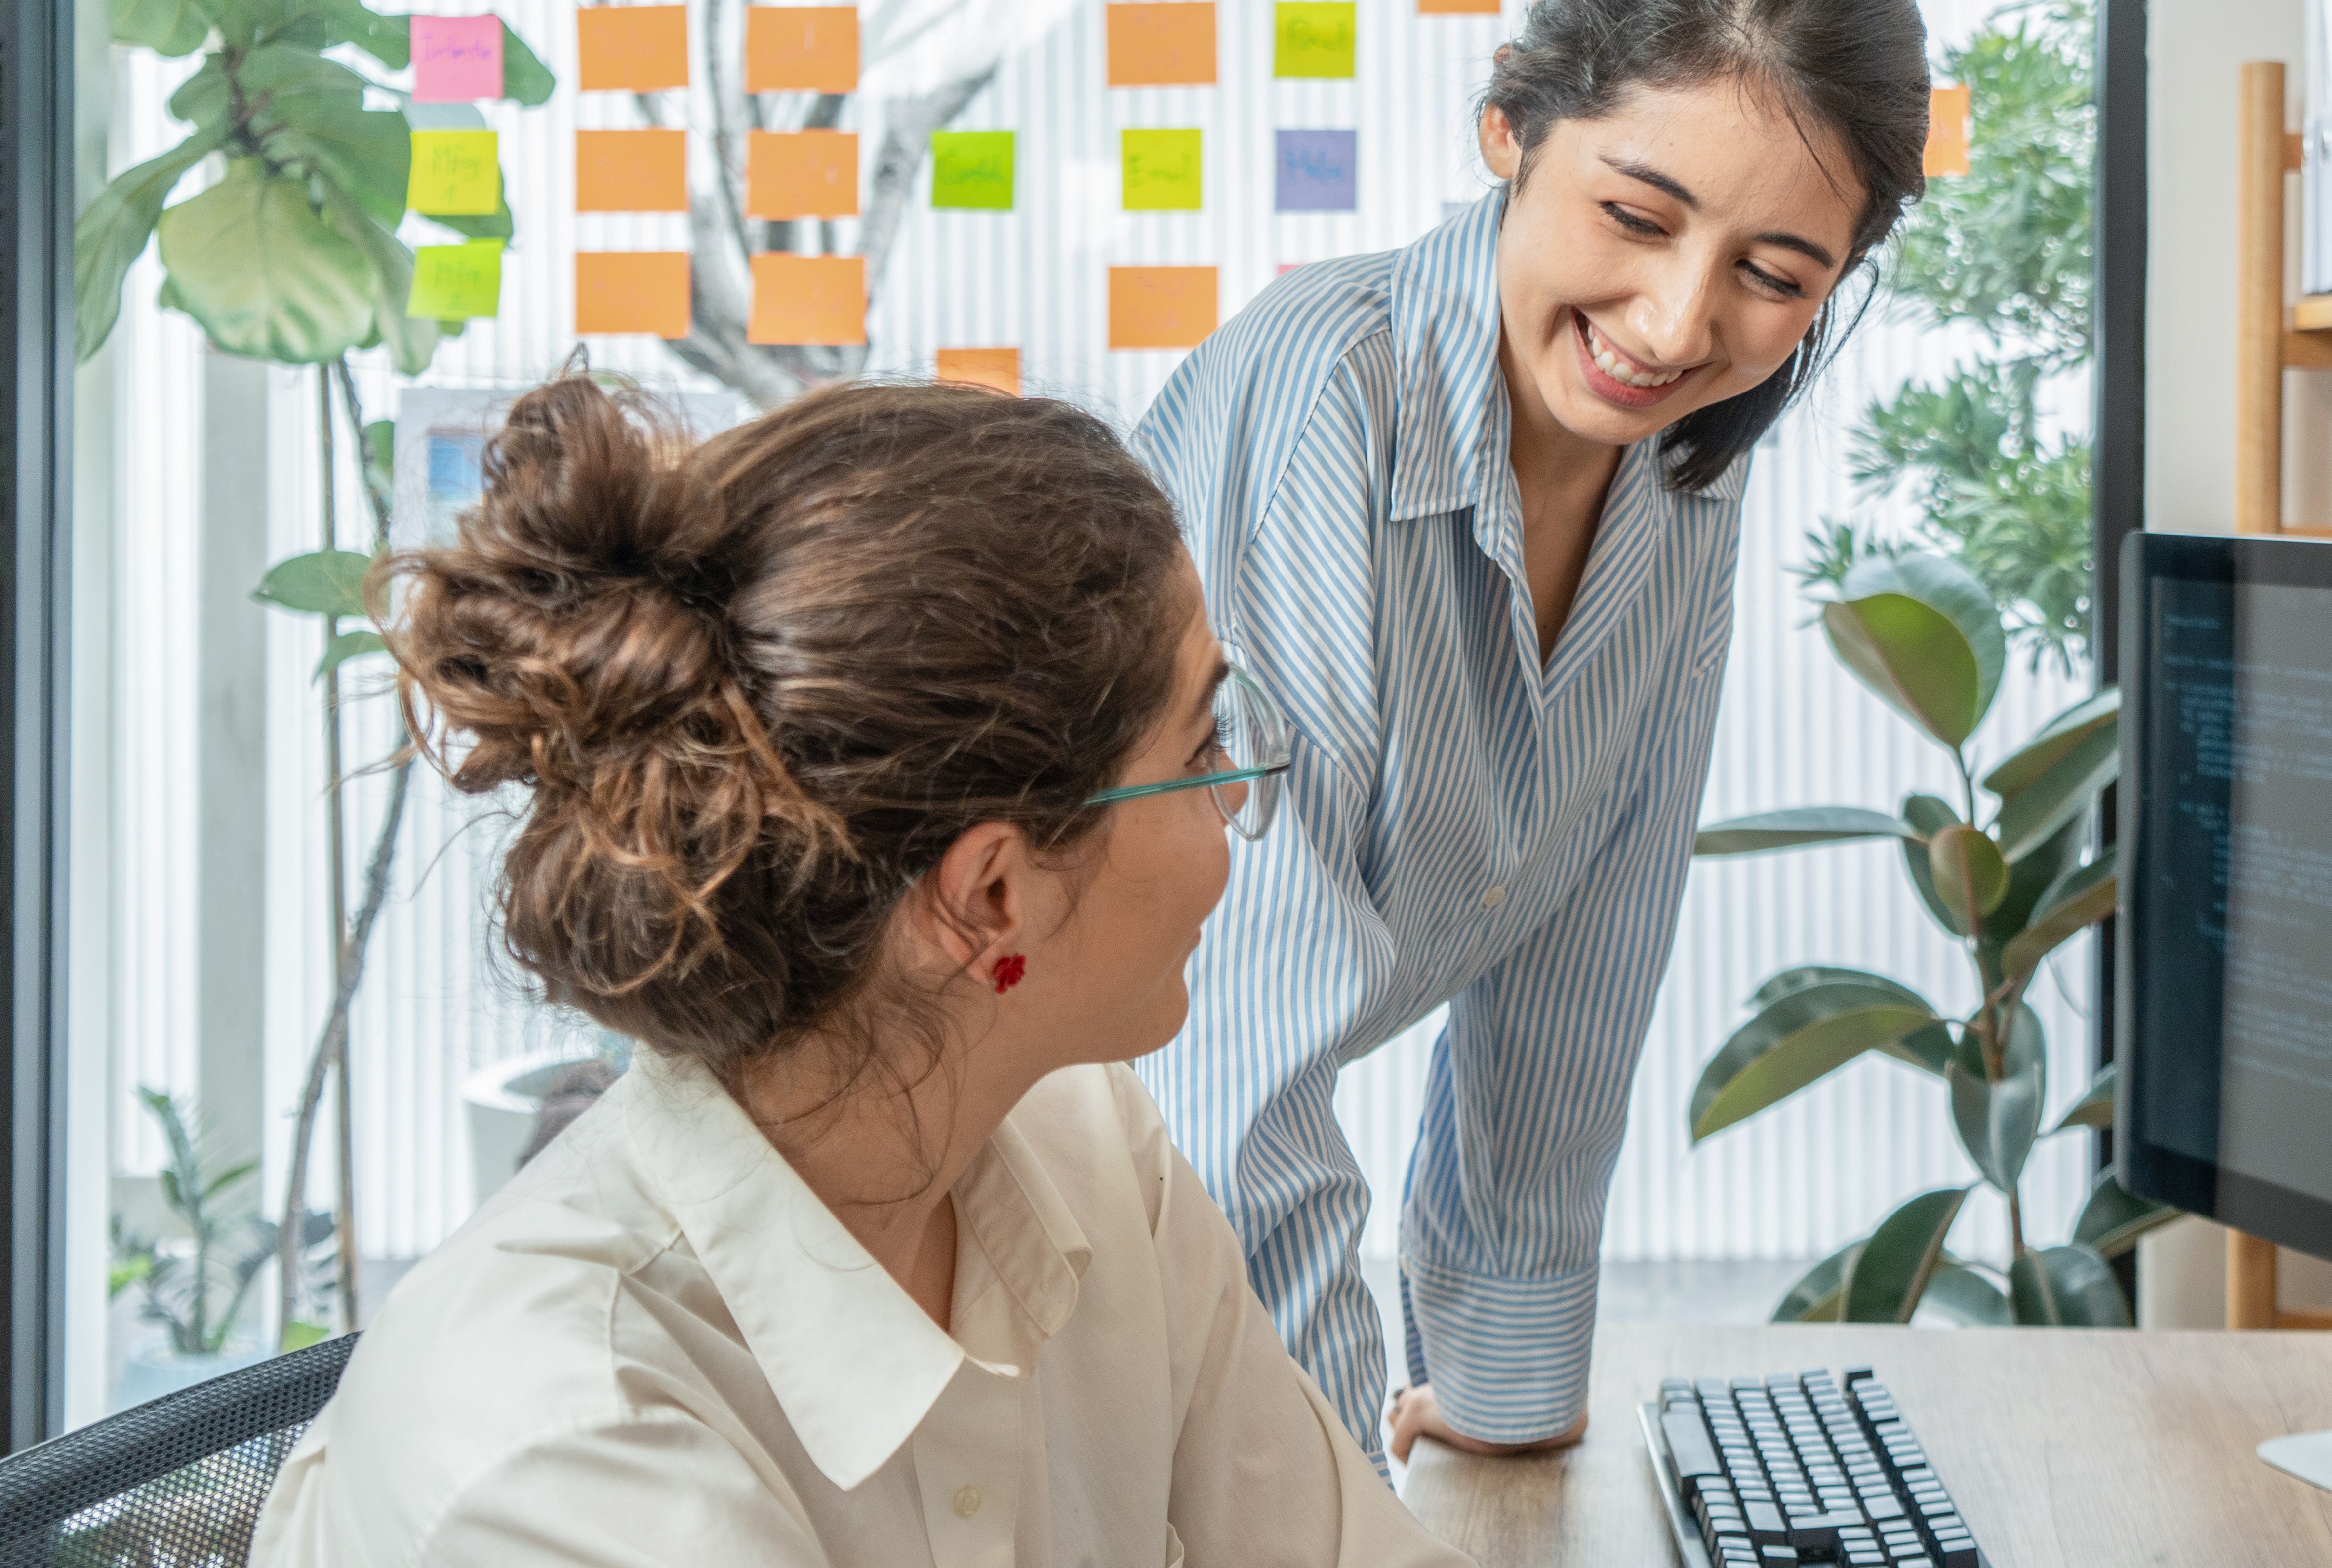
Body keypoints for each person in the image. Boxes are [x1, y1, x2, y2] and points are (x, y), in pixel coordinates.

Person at [247, 374, 1468, 1568]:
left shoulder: (1093, 1153)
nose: (1239, 797)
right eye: (1203, 745)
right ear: (992, 895)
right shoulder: (563, 1457)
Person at [1129, 0, 1932, 1467]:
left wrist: (1507, 1386)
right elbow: (1230, 1065)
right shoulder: (1330, 394)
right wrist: (1336, 1502)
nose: (1679, 324)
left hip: (1163, 1197)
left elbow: (1589, 940)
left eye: (1772, 274)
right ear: (1509, 127)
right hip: (998, 1160)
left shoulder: (1681, 460)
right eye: (1636, 215)